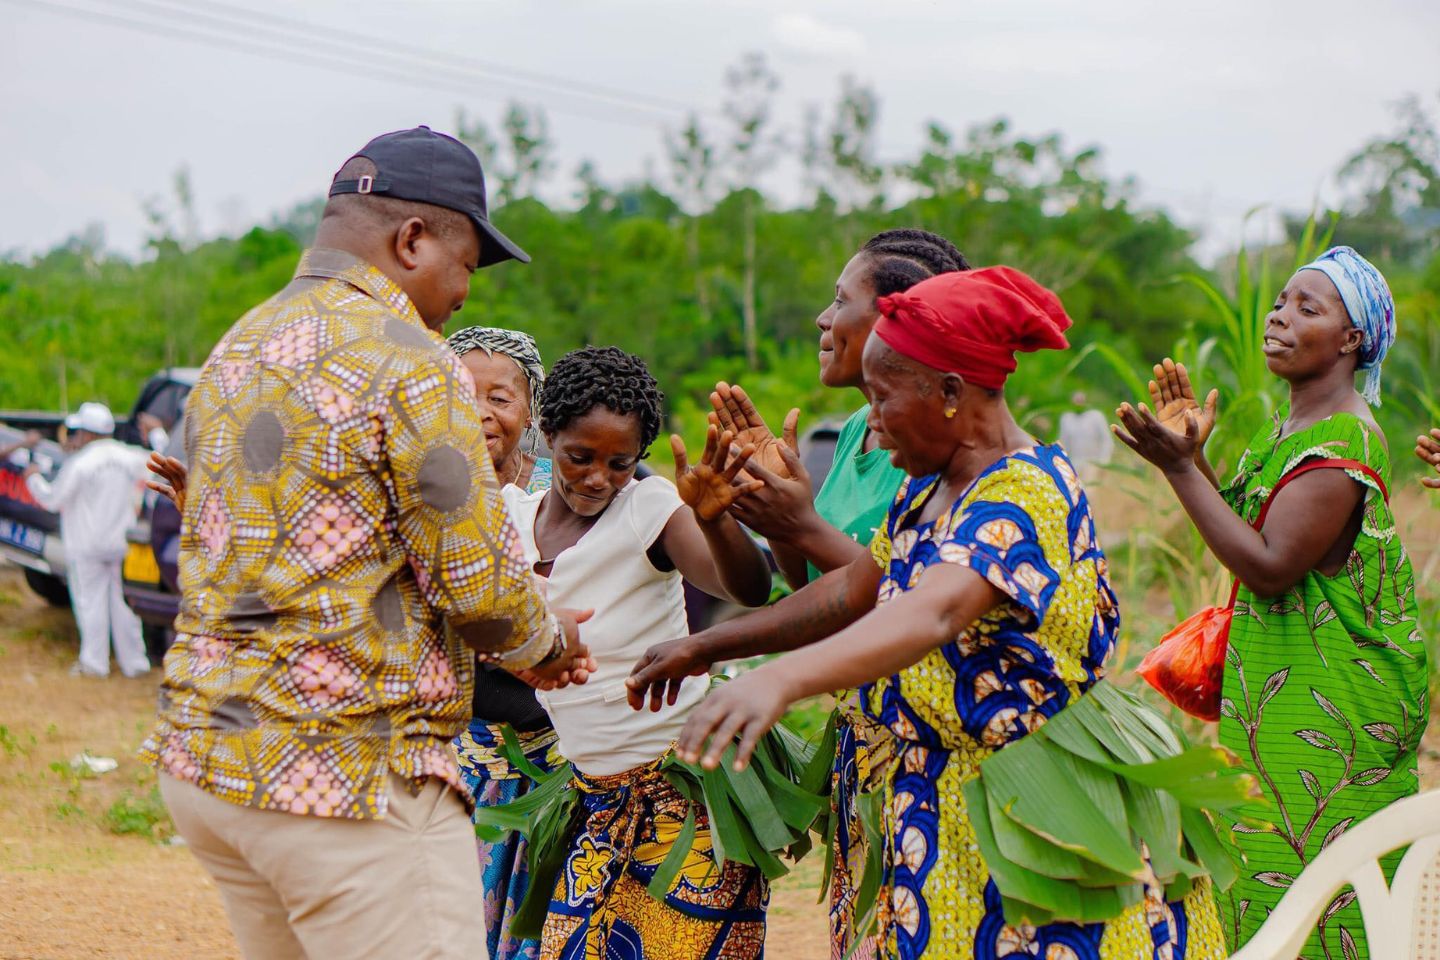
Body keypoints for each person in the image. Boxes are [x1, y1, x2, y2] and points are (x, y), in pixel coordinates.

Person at [647, 267, 1226, 958]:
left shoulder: (1024, 491)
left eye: (882, 396)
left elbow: (935, 610)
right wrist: (712, 648)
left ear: (951, 393)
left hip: (1034, 815)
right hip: (942, 809)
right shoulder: (928, 491)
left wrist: (781, 680)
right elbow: (854, 590)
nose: (872, 419)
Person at [139, 127, 594, 960]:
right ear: (411, 239)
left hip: (211, 763)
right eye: (465, 264)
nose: (463, 293)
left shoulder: (237, 346)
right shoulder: (413, 362)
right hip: (344, 779)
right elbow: (481, 591)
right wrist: (552, 642)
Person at [650, 229, 968, 957]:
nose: (824, 320)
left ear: (893, 321)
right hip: (866, 732)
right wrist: (778, 513)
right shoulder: (859, 430)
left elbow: (900, 591)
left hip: (933, 739)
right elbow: (816, 592)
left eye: (839, 300)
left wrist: (800, 521)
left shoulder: (936, 446)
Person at [1113, 246, 1427, 959]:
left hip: (1333, 716)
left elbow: (1270, 566)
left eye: (1307, 308)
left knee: (1322, 898)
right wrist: (1193, 460)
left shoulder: (1345, 436)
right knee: (1271, 887)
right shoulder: (1286, 432)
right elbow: (1253, 531)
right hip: (1284, 698)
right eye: (1282, 301)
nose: (1280, 316)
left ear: (1352, 341)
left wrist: (1176, 469)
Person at [505, 346, 773, 959]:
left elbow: (748, 589)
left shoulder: (648, 511)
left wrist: (715, 521)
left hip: (684, 796)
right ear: (547, 435)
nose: (598, 477)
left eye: (619, 463)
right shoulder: (508, 518)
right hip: (592, 798)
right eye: (580, 457)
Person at [447, 325, 557, 960]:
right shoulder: (428, 490)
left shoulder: (559, 488)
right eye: (463, 393)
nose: (482, 414)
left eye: (500, 398)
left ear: (532, 407)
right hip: (454, 752)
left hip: (550, 757)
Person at [24, 402, 151, 678]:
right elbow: (155, 471)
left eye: (77, 431)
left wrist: (33, 479)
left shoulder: (81, 464)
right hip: (122, 544)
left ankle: (95, 665)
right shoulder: (131, 457)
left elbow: (52, 499)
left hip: (87, 545)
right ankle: (135, 664)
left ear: (88, 433)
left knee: (90, 603)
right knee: (125, 606)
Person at [1058, 390, 1114, 479]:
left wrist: (1104, 461)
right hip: (1074, 462)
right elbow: (1064, 442)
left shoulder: (1096, 416)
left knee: (1089, 491)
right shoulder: (1066, 418)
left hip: (1093, 462)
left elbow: (1106, 440)